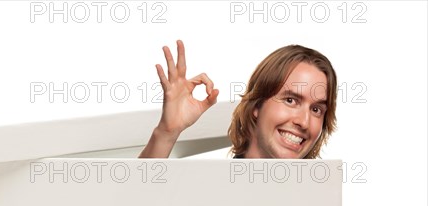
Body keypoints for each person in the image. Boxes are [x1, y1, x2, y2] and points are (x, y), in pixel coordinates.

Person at [138, 40, 337, 159]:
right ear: (257, 105)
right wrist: (167, 132)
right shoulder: (206, 189)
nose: (303, 121)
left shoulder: (320, 200)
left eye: (316, 110)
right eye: (291, 100)